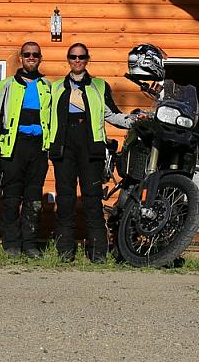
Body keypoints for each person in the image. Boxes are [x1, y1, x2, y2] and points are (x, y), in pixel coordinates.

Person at [47, 43, 139, 262]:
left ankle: (98, 253)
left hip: (91, 149)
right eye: (73, 57)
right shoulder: (56, 87)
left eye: (81, 57)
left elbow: (112, 115)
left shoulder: (99, 85)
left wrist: (134, 120)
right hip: (63, 149)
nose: (77, 60)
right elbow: (44, 117)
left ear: (87, 59)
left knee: (92, 200)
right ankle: (65, 252)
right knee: (66, 199)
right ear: (68, 59)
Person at [0, 41, 54, 258]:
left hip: (38, 148)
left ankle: (30, 244)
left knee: (33, 198)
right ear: (21, 58)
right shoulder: (5, 85)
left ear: (40, 58)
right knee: (12, 197)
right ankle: (11, 243)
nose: (31, 57)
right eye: (27, 54)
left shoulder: (47, 86)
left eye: (35, 54)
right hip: (13, 147)